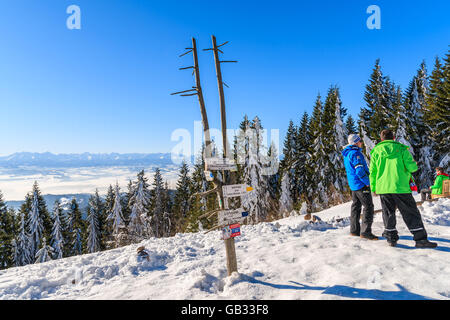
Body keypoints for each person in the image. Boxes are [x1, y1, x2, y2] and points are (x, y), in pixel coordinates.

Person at [369, 129, 437, 248]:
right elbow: (412, 168)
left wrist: (374, 187)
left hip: (384, 187)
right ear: (393, 137)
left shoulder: (375, 152)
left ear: (381, 139)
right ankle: (420, 239)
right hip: (400, 186)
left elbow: (373, 172)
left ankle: (391, 238)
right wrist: (414, 164)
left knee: (388, 212)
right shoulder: (401, 149)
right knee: (410, 213)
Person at [342, 134, 378, 240]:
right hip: (361, 184)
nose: (361, 143)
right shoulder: (355, 153)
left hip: (354, 185)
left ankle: (354, 230)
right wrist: (367, 182)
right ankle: (366, 232)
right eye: (359, 141)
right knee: (368, 206)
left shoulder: (348, 153)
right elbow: (359, 170)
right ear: (356, 142)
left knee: (356, 207)